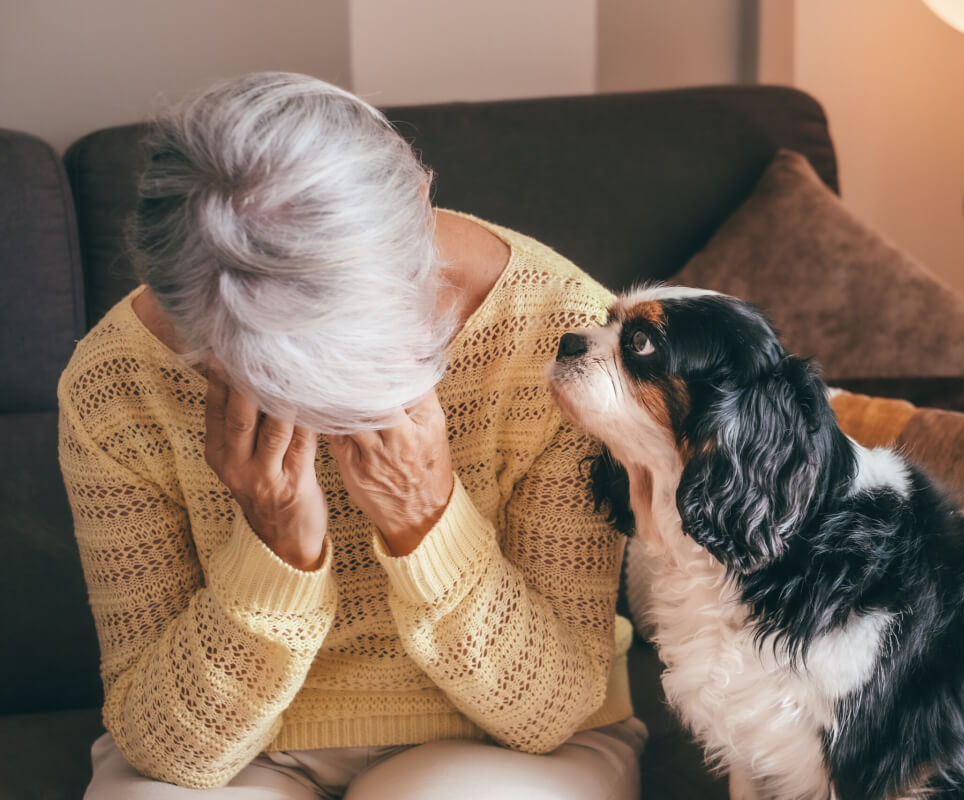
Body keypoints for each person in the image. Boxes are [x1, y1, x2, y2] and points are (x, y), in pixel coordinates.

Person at [58, 72, 643, 799]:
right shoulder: (115, 382)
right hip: (239, 758)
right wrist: (275, 551)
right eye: (254, 365)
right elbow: (168, 750)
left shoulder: (567, 343)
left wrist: (424, 519)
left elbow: (552, 709)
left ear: (420, 204)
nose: (312, 404)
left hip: (513, 747)